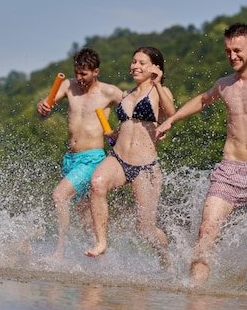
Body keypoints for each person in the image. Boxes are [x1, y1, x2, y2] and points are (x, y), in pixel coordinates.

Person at [156, 22, 247, 285]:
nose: (232, 56)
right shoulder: (225, 85)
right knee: (206, 231)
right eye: (228, 51)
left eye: (238, 50)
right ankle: (196, 296)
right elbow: (202, 100)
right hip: (230, 170)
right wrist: (171, 121)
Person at [84, 46, 176, 269]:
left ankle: (166, 257)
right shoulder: (126, 95)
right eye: (134, 61)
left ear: (155, 67)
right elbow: (128, 127)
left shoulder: (160, 92)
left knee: (145, 230)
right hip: (118, 159)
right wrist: (113, 134)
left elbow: (172, 114)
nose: (135, 66)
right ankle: (101, 242)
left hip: (145, 166)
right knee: (96, 184)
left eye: (141, 63)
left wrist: (158, 83)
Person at [37, 47, 122, 260]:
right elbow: (48, 104)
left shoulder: (109, 92)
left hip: (93, 158)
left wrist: (119, 133)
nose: (79, 77)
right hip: (71, 159)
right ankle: (103, 262)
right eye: (77, 72)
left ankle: (59, 252)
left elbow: (132, 110)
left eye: (84, 73)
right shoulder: (69, 85)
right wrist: (43, 108)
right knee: (85, 217)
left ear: (96, 72)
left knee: (59, 196)